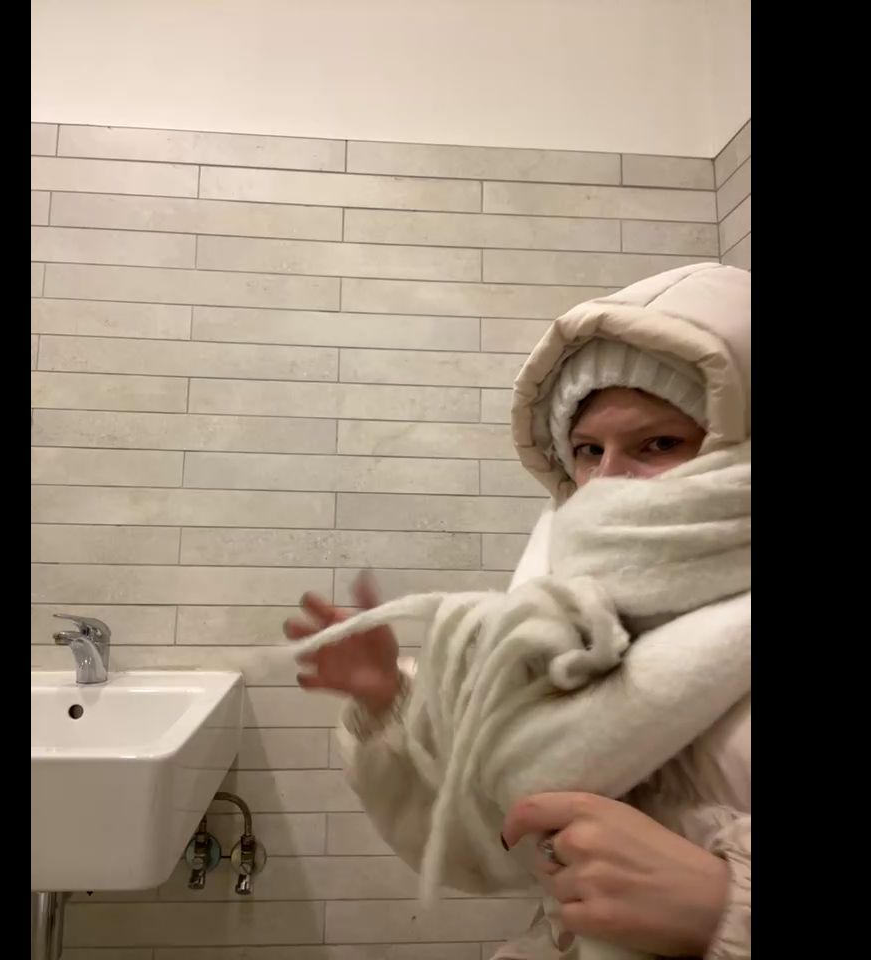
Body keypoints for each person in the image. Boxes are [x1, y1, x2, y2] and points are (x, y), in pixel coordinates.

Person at [284, 263, 751, 960]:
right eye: (588, 451)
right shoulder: (564, 601)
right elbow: (490, 843)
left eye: (658, 443)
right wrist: (392, 707)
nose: (607, 482)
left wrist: (727, 908)